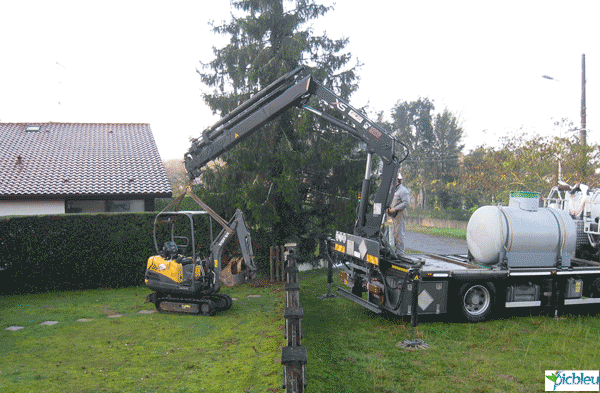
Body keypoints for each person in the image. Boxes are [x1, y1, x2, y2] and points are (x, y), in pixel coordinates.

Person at [386, 172, 410, 255]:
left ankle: (400, 253)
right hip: (394, 215)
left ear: (398, 180)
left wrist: (395, 209)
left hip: (400, 214)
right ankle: (397, 251)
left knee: (399, 234)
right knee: (395, 233)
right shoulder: (394, 190)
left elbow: (406, 203)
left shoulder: (403, 190)